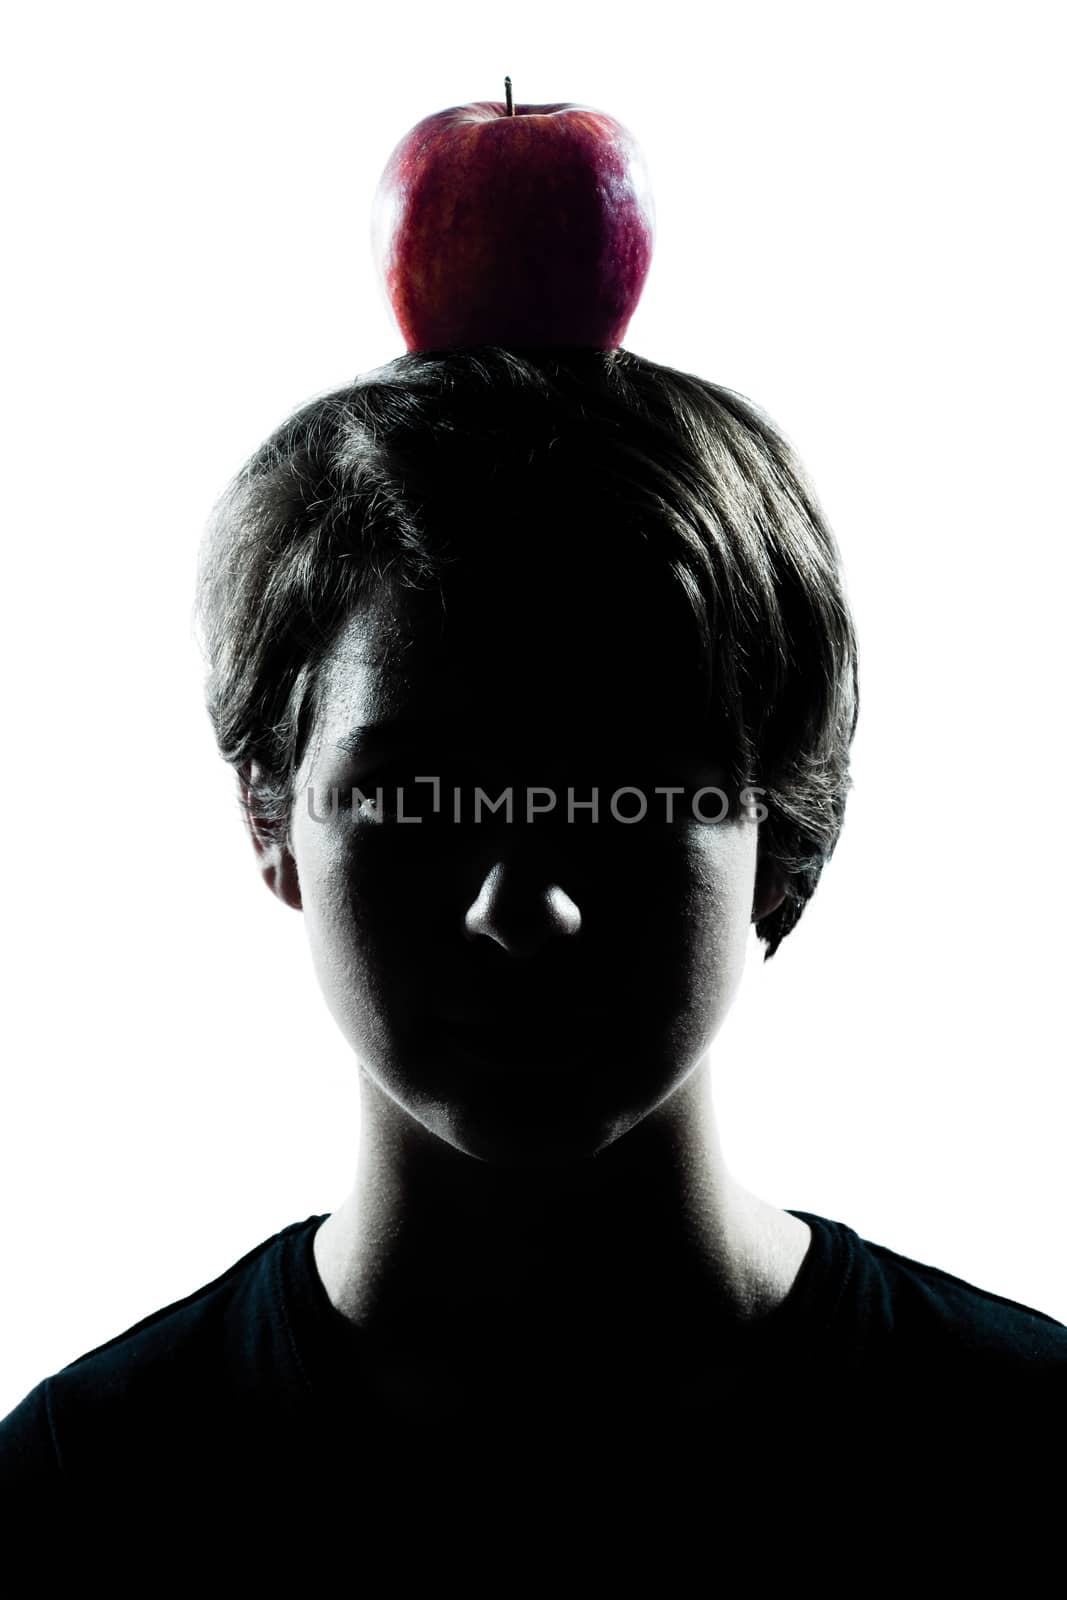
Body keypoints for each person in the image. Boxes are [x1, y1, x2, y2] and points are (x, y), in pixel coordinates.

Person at [1, 346, 1063, 1573]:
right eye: (413, 795)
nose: (527, 906)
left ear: (781, 833)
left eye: (627, 787)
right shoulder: (75, 1508)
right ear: (267, 819)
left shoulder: (1037, 1463)